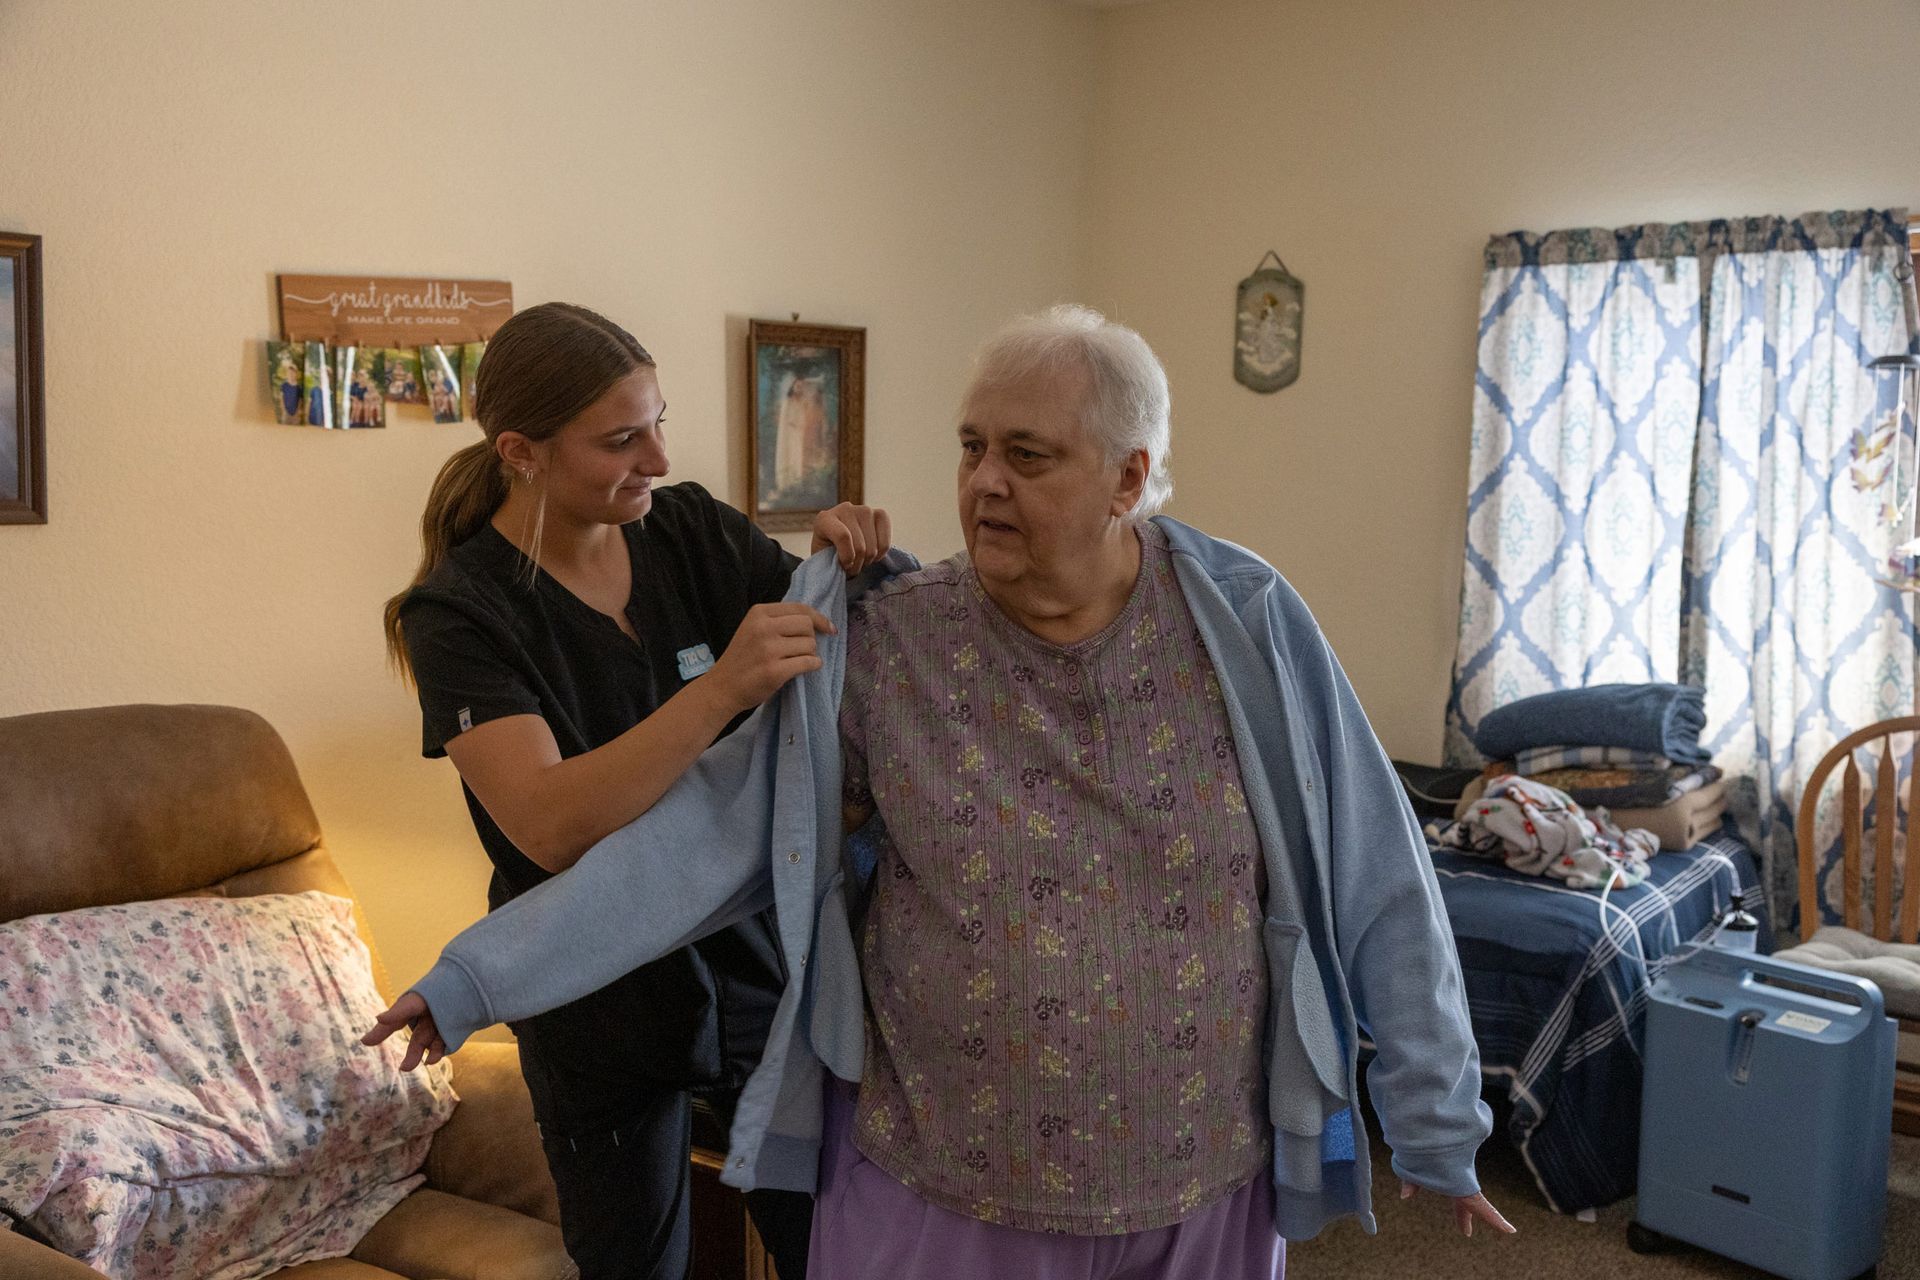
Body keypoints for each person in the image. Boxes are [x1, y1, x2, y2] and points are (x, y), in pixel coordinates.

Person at [370, 305, 1511, 1278]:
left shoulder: (1246, 621)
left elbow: (1375, 867)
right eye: (972, 448)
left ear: (1130, 476)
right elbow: (703, 831)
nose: (985, 482)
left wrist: (1434, 1113)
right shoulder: (892, 646)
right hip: (938, 1177)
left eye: (1027, 453)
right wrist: (478, 975)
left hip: (1197, 1174)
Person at [377, 301, 889, 1280]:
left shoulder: (688, 528)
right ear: (520, 451)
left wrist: (842, 562)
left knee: (835, 1249)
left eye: (658, 420)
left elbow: (832, 654)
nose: (656, 456)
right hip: (598, 1006)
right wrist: (725, 687)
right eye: (621, 439)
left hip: (755, 972)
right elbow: (550, 822)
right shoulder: (460, 615)